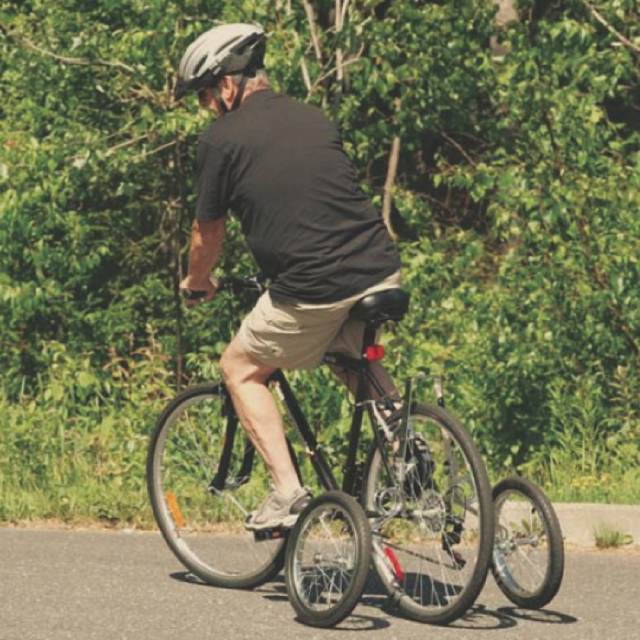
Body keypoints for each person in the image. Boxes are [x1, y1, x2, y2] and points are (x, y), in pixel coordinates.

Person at [175, 23, 402, 530]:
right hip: (380, 268)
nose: (207, 107)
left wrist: (198, 281)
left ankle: (286, 491)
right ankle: (409, 446)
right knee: (349, 357)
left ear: (228, 86)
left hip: (313, 288)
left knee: (239, 367)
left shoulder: (221, 139)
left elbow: (206, 233)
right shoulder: (313, 117)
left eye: (207, 95)